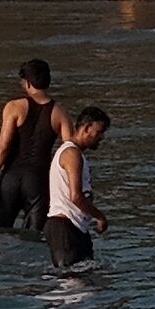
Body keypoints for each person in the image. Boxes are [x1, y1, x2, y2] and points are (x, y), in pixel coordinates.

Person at [0, 60, 59, 232]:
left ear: (28, 83)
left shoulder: (14, 107)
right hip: (38, 182)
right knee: (34, 236)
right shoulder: (60, 113)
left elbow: (3, 146)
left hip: (11, 178)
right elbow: (69, 151)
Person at [43, 108, 112, 271]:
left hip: (76, 226)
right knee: (71, 285)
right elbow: (76, 196)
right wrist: (100, 216)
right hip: (64, 227)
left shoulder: (76, 154)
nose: (101, 138)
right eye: (99, 132)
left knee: (88, 279)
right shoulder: (72, 154)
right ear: (87, 128)